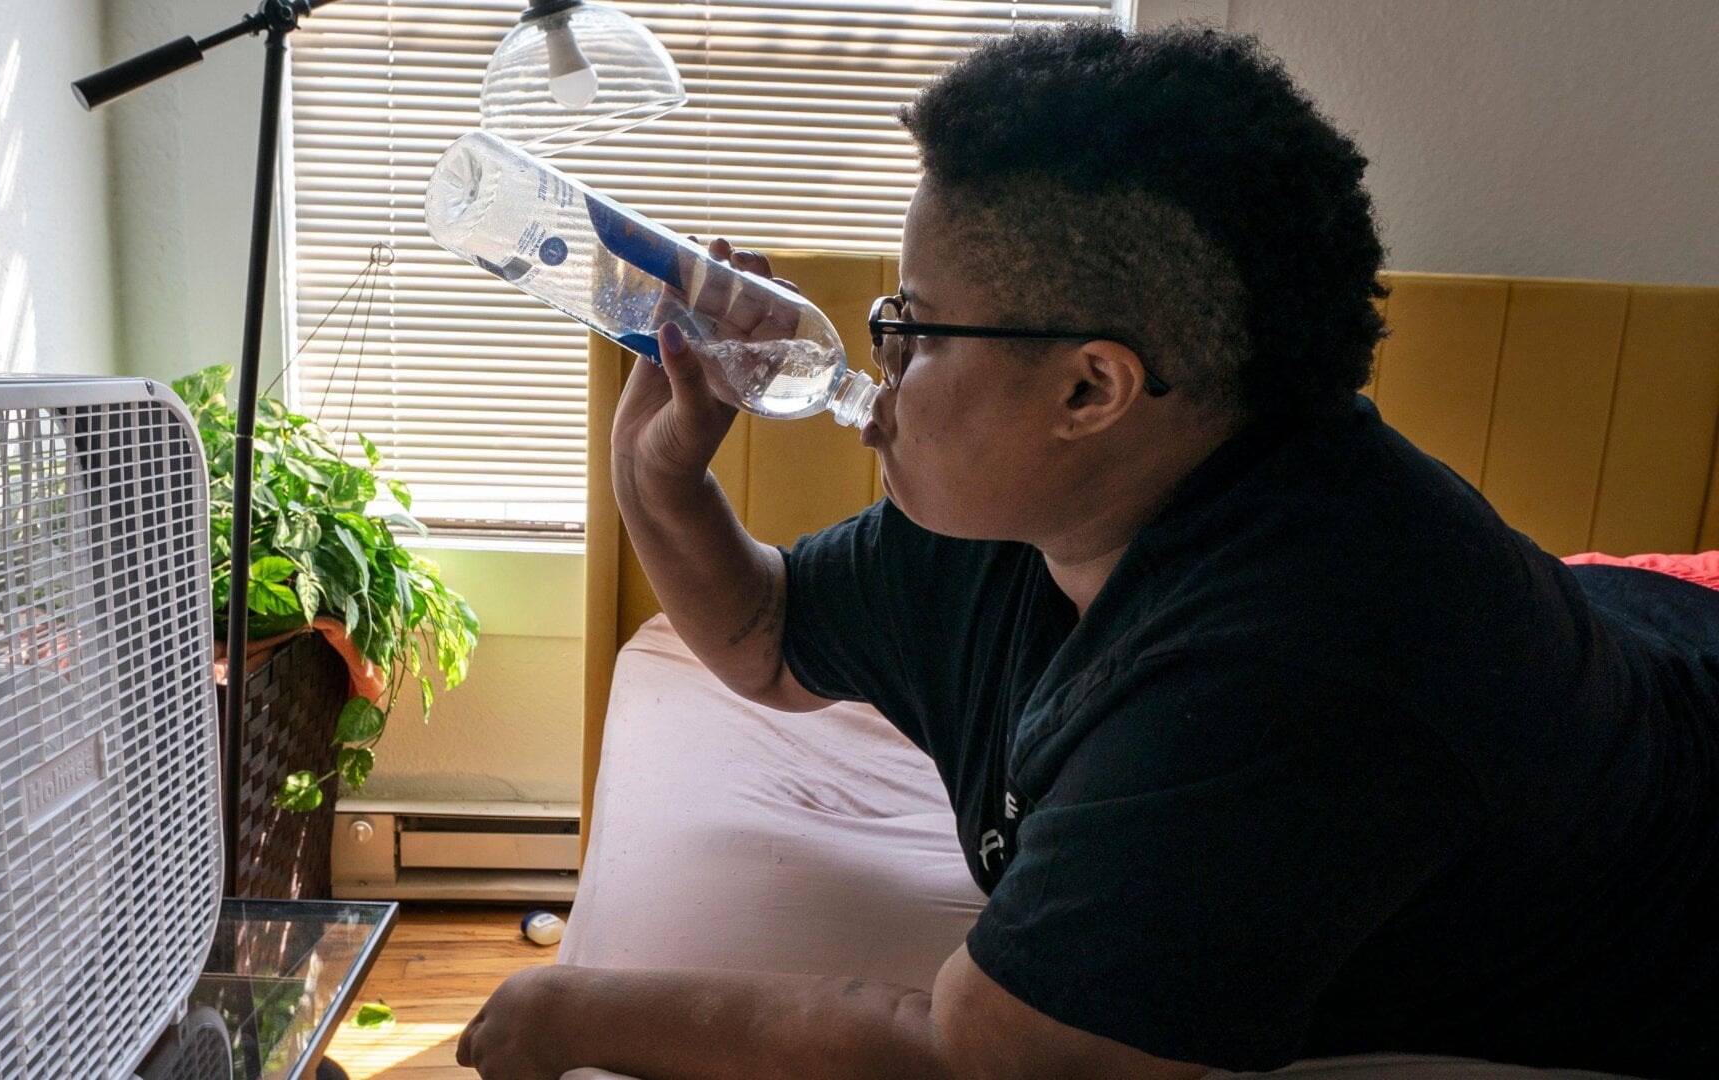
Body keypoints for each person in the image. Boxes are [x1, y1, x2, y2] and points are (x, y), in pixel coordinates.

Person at [457, 21, 1719, 1080]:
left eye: (914, 325)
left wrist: (567, 1005)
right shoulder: (1034, 498)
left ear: (1091, 389)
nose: (876, 358)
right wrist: (659, 475)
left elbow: (982, 1050)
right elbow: (768, 638)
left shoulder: (1279, 678)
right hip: (1612, 651)